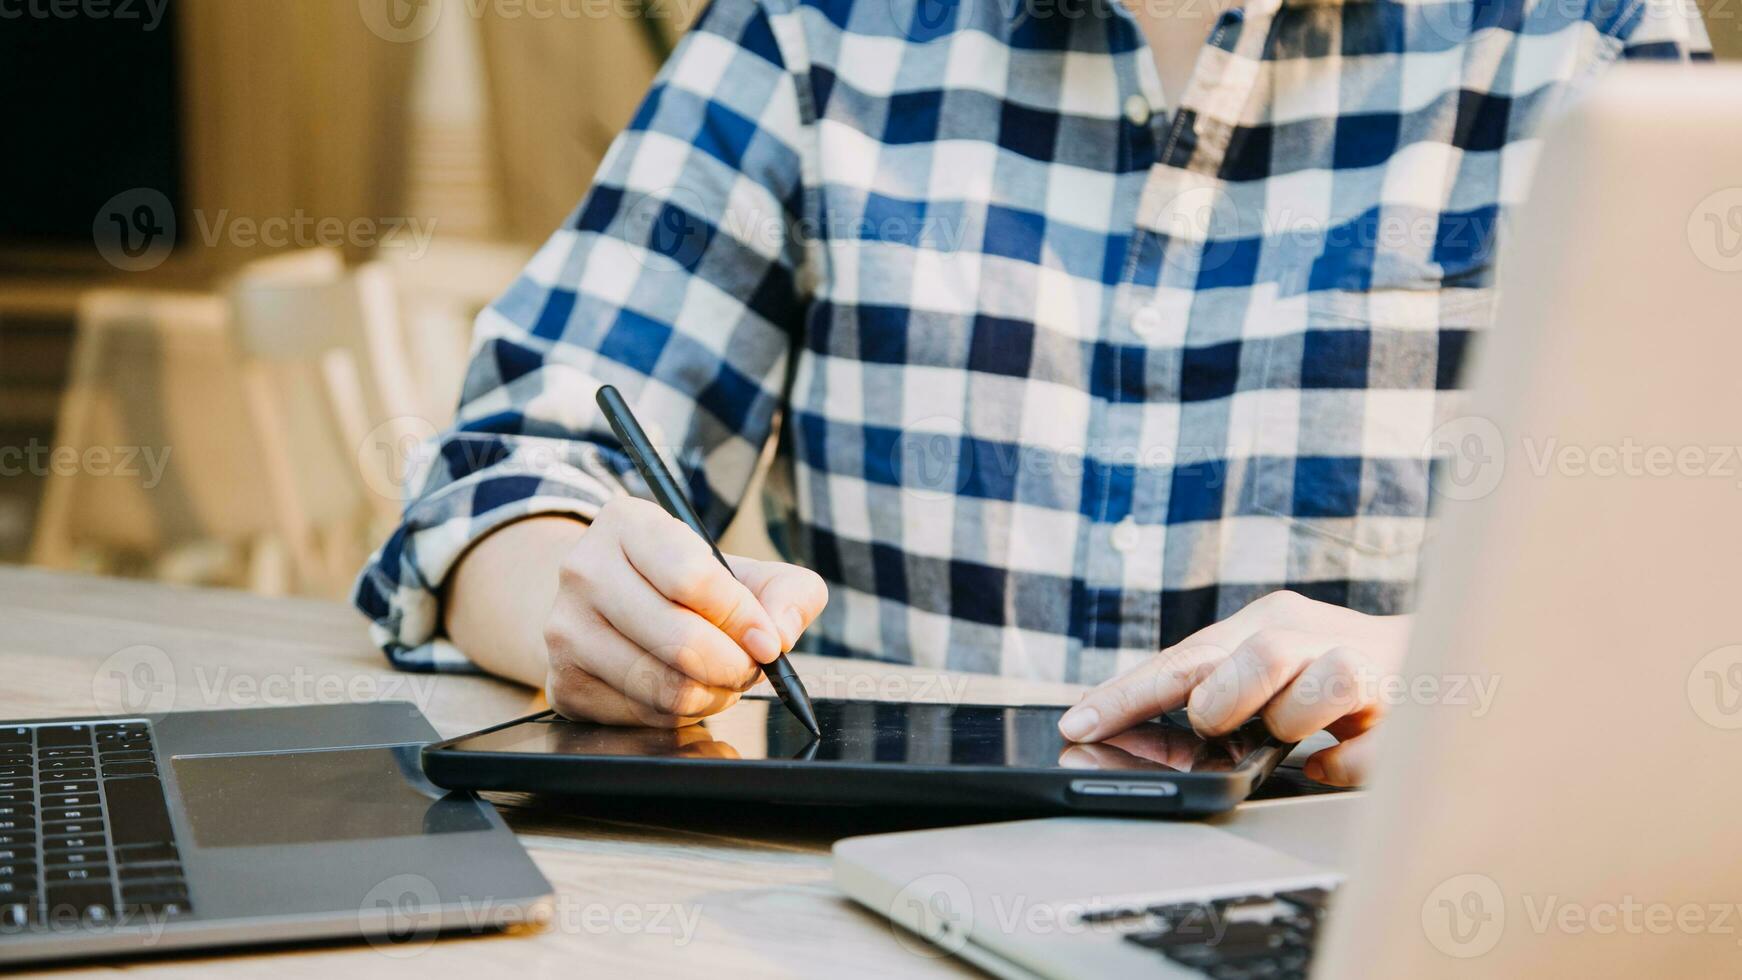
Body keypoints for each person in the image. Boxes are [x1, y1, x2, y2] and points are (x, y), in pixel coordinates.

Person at [354, 0, 1709, 786]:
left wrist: (1471, 678)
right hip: (850, 915)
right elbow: (501, 470)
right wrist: (577, 604)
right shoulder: (811, 28)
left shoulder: (1580, 34)